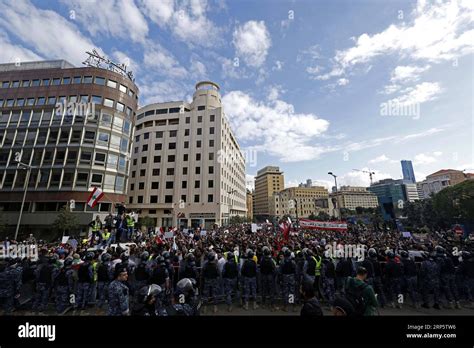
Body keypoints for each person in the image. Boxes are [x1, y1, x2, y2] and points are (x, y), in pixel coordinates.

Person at [260, 246, 277, 311]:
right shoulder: (271, 260)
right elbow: (274, 269)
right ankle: (272, 304)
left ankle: (263, 303)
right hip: (270, 276)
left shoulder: (262, 260)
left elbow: (261, 267)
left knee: (264, 290)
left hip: (264, 276)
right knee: (271, 291)